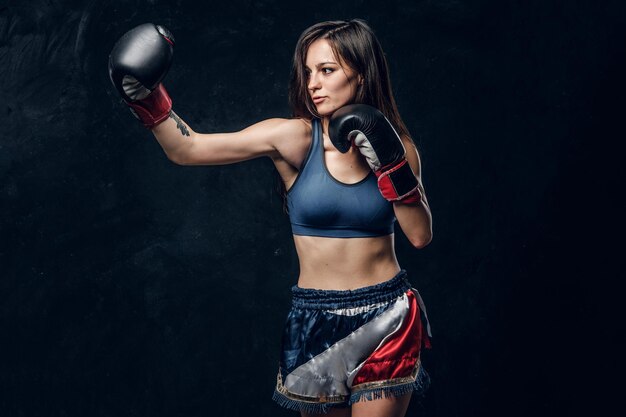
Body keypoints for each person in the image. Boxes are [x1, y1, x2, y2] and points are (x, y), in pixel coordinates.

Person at [109, 19, 433, 417]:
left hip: (386, 315)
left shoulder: (399, 148)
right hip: (315, 318)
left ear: (361, 75)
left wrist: (391, 163)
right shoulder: (293, 139)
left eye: (327, 70)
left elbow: (419, 235)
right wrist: (147, 98)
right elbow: (188, 149)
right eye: (309, 71)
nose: (313, 83)